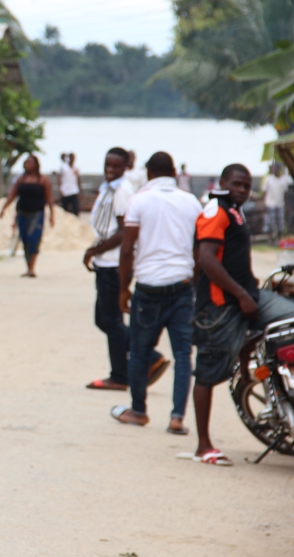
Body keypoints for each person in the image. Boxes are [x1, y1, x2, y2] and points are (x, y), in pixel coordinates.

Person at [189, 164, 294, 466]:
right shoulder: (215, 211)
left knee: (288, 320)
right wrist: (241, 295)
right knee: (207, 374)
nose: (243, 190)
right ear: (222, 182)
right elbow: (206, 259)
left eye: (247, 186)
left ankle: (247, 355)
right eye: (236, 184)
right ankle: (204, 445)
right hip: (221, 306)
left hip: (250, 296)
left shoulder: (235, 211)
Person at [111, 152, 201, 434]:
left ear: (149, 173)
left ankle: (138, 411)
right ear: (173, 172)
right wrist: (194, 285)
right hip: (182, 286)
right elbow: (199, 249)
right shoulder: (191, 201)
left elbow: (127, 250)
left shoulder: (139, 200)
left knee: (139, 352)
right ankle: (177, 417)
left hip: (149, 287)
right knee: (183, 355)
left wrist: (123, 289)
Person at [83, 147, 169, 392]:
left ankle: (122, 375)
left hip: (113, 264)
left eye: (116, 166)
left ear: (126, 167)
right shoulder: (108, 188)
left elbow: (123, 232)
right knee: (103, 320)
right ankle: (147, 356)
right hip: (104, 262)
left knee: (111, 321)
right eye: (107, 165)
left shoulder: (122, 191)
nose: (110, 170)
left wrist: (94, 250)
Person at [0, 155, 55, 278]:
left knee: (34, 239)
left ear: (36, 165)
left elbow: (49, 198)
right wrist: (4, 208)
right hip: (22, 213)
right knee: (25, 240)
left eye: (30, 163)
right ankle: (28, 267)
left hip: (37, 214)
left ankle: (32, 268)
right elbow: (12, 195)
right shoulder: (21, 179)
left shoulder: (43, 180)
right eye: (25, 163)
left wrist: (52, 215)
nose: (27, 165)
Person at [261, 163, 292, 242]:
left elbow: (285, 194)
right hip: (270, 204)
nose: (274, 170)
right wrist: (264, 203)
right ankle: (270, 239)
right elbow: (265, 192)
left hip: (280, 204)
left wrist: (287, 205)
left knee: (280, 222)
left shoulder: (284, 179)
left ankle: (279, 238)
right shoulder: (268, 179)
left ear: (279, 169)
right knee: (271, 222)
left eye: (275, 168)